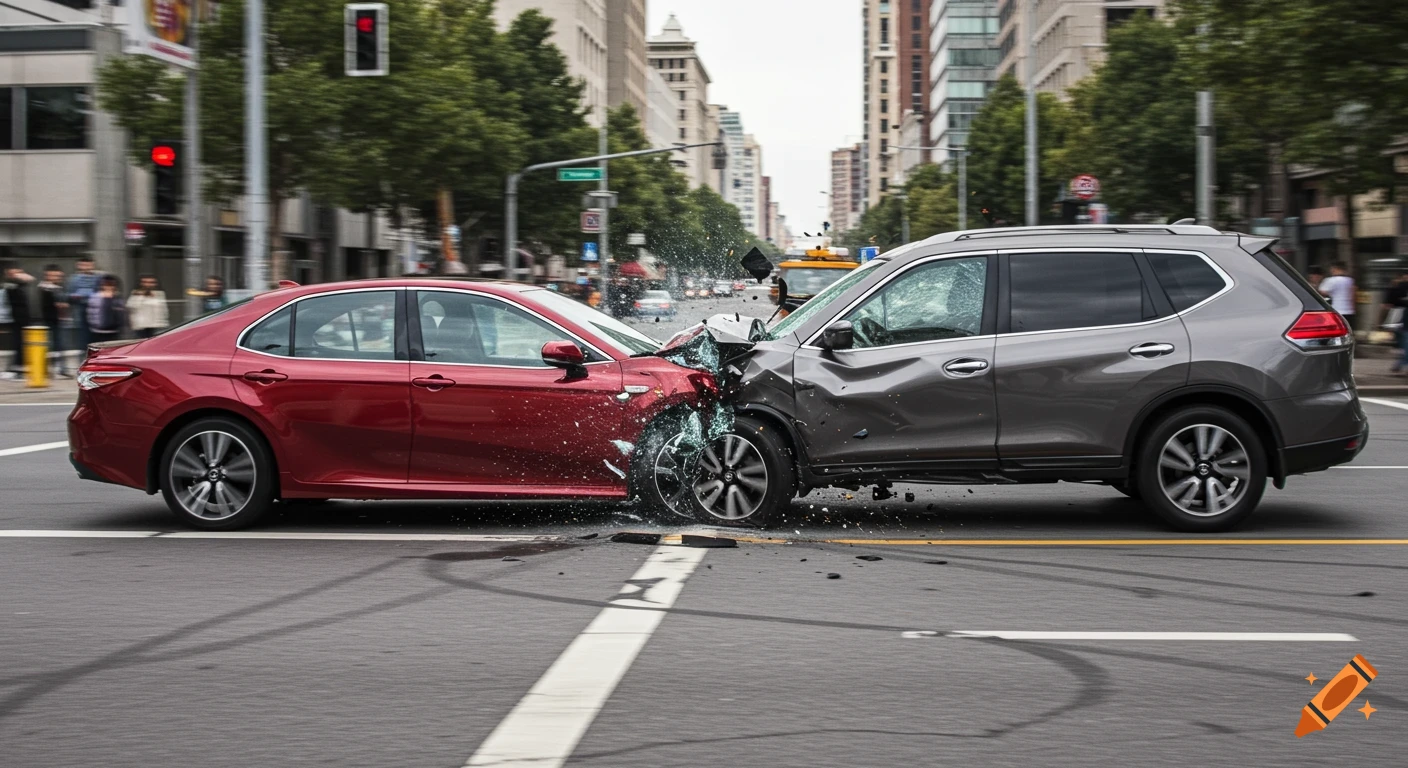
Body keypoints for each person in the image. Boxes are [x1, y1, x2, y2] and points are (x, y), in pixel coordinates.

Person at [37, 265, 74, 377]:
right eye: (53, 275)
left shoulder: (59, 288)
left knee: (59, 346)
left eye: (58, 276)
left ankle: (60, 369)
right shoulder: (45, 288)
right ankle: (50, 369)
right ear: (47, 276)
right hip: (50, 321)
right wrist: (58, 305)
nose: (57, 278)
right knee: (51, 346)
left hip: (59, 320)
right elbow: (46, 305)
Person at [2, 262, 34, 380]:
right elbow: (28, 279)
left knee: (22, 344)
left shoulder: (17, 284)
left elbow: (30, 279)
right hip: (16, 319)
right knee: (18, 344)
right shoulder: (9, 284)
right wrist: (18, 276)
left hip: (23, 319)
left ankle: (18, 368)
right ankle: (16, 369)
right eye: (13, 273)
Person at [65, 256, 101, 349]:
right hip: (80, 308)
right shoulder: (73, 279)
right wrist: (74, 296)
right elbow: (68, 295)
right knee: (82, 332)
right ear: (78, 265)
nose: (86, 267)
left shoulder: (98, 278)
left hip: (95, 309)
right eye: (83, 265)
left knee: (95, 332)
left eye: (88, 265)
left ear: (93, 265)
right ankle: (83, 351)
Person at [87, 275, 127, 344]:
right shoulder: (95, 297)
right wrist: (94, 325)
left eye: (111, 285)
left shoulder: (118, 298)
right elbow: (90, 313)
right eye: (106, 285)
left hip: (114, 331)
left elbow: (122, 314)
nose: (108, 287)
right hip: (98, 331)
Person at [128, 274, 170, 339]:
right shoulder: (136, 293)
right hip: (141, 326)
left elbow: (163, 309)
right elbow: (131, 306)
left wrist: (165, 322)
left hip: (156, 325)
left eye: (151, 282)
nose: (148, 284)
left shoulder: (159, 294)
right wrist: (141, 295)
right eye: (145, 282)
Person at [1385, 270, 1408, 374]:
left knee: (1402, 341)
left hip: (1397, 315)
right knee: (1404, 341)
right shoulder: (1400, 286)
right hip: (1402, 316)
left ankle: (1401, 363)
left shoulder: (1396, 287)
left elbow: (1387, 304)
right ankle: (1401, 362)